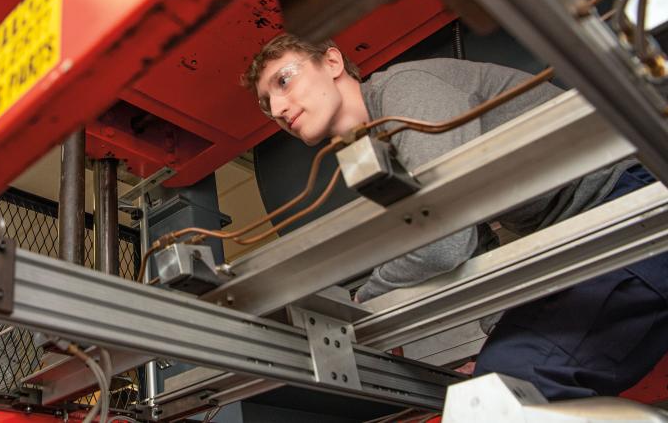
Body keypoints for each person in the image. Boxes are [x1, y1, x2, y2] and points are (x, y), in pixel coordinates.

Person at [243, 32, 668, 400]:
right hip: (589, 232)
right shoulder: (374, 152)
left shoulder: (405, 91)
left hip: (631, 207)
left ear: (332, 61)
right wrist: (495, 339)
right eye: (266, 104)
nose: (279, 107)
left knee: (506, 388)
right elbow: (473, 245)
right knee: (498, 382)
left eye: (284, 80)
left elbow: (443, 242)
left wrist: (355, 307)